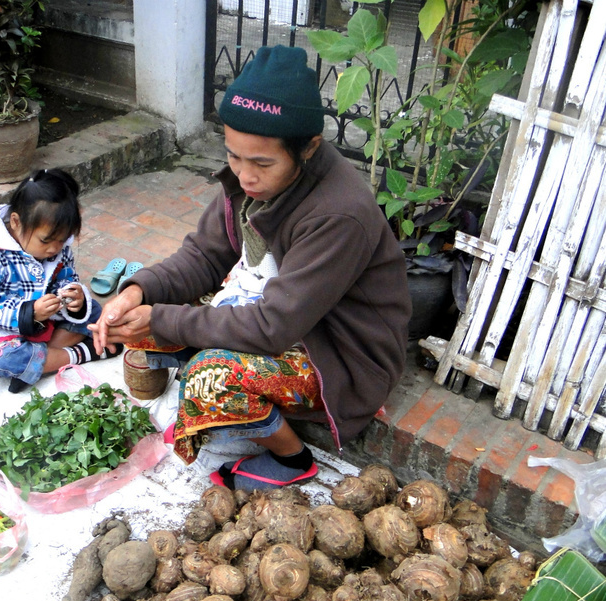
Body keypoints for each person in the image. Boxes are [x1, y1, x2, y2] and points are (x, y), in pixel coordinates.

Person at [89, 45, 411, 491]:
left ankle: (293, 457)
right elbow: (202, 255)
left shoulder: (339, 213)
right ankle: (205, 394)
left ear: (309, 148)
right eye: (233, 156)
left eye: (261, 162)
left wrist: (163, 319)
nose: (243, 176)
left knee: (210, 376)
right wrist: (137, 292)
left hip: (335, 353)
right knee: (147, 314)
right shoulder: (251, 180)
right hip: (280, 311)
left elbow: (272, 327)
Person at [0, 168, 120, 393]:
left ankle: (42, 363)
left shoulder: (56, 244)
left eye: (62, 241)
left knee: (92, 309)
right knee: (10, 358)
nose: (54, 248)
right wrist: (29, 312)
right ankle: (82, 354)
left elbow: (66, 276)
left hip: (44, 321)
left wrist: (73, 295)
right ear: (16, 222)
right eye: (46, 241)